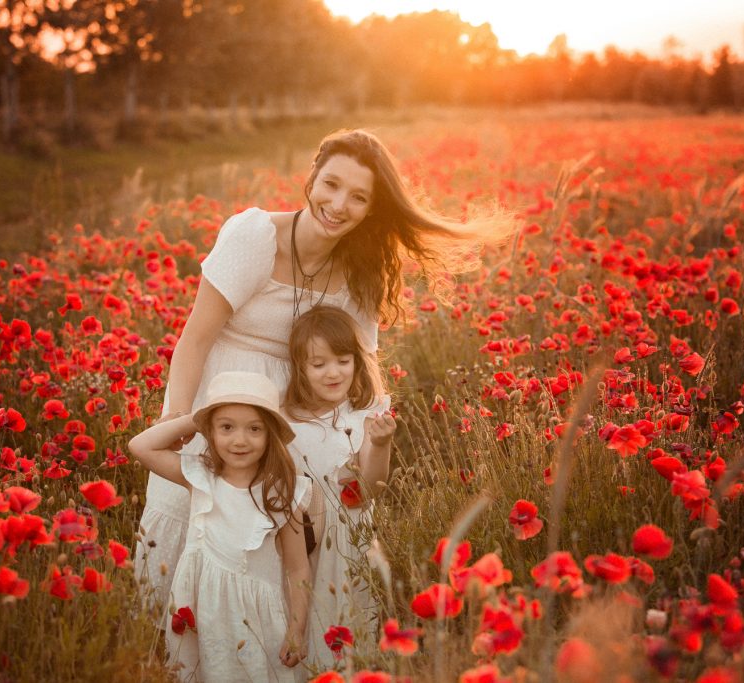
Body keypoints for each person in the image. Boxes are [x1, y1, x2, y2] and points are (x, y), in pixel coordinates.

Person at [132, 128, 511, 610]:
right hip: (221, 394)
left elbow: (360, 366)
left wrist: (363, 443)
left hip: (296, 413)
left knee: (272, 541)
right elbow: (195, 338)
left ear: (372, 209)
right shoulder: (255, 236)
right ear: (311, 177)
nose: (337, 204)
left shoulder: (361, 268)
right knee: (196, 514)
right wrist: (180, 416)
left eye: (358, 197)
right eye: (331, 184)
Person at [128, 371, 311, 682]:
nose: (240, 440)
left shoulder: (281, 493)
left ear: (270, 435)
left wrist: (297, 627)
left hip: (253, 620)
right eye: (226, 427)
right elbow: (140, 446)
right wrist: (195, 419)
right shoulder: (199, 477)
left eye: (254, 429)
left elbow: (298, 569)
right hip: (202, 610)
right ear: (210, 432)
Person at [283, 305, 396, 670]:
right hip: (302, 545)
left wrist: (380, 445)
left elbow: (372, 488)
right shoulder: (285, 421)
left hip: (349, 543)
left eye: (343, 360)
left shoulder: (366, 415)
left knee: (348, 622)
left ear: (357, 362)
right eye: (319, 365)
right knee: (304, 615)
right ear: (301, 369)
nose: (333, 372)